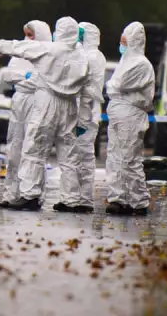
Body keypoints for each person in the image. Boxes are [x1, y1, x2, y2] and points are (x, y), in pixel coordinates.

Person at [0, 17, 87, 211]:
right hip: (69, 106)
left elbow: (14, 47)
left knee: (34, 149)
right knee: (68, 153)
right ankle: (71, 199)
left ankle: (30, 195)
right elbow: (89, 86)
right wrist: (85, 117)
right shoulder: (80, 55)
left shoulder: (48, 49)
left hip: (48, 102)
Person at [0, 20, 52, 209]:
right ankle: (11, 194)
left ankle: (32, 194)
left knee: (33, 149)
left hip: (37, 102)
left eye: (31, 34)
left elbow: (42, 81)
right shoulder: (19, 54)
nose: (28, 38)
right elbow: (8, 76)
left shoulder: (48, 54)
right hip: (19, 103)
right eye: (27, 34)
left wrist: (24, 79)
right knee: (14, 150)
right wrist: (25, 78)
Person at [105, 22, 155, 216]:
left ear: (134, 41)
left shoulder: (141, 64)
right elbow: (113, 87)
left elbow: (120, 84)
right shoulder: (124, 62)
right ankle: (119, 199)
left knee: (129, 158)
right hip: (119, 114)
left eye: (124, 40)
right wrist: (114, 86)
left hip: (131, 116)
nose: (121, 43)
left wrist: (113, 86)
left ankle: (139, 201)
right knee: (115, 157)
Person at [57, 22, 106, 213]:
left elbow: (88, 91)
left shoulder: (92, 56)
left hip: (86, 116)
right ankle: (74, 197)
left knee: (84, 157)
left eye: (81, 33)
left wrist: (83, 120)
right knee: (74, 157)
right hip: (80, 114)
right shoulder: (86, 54)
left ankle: (83, 200)